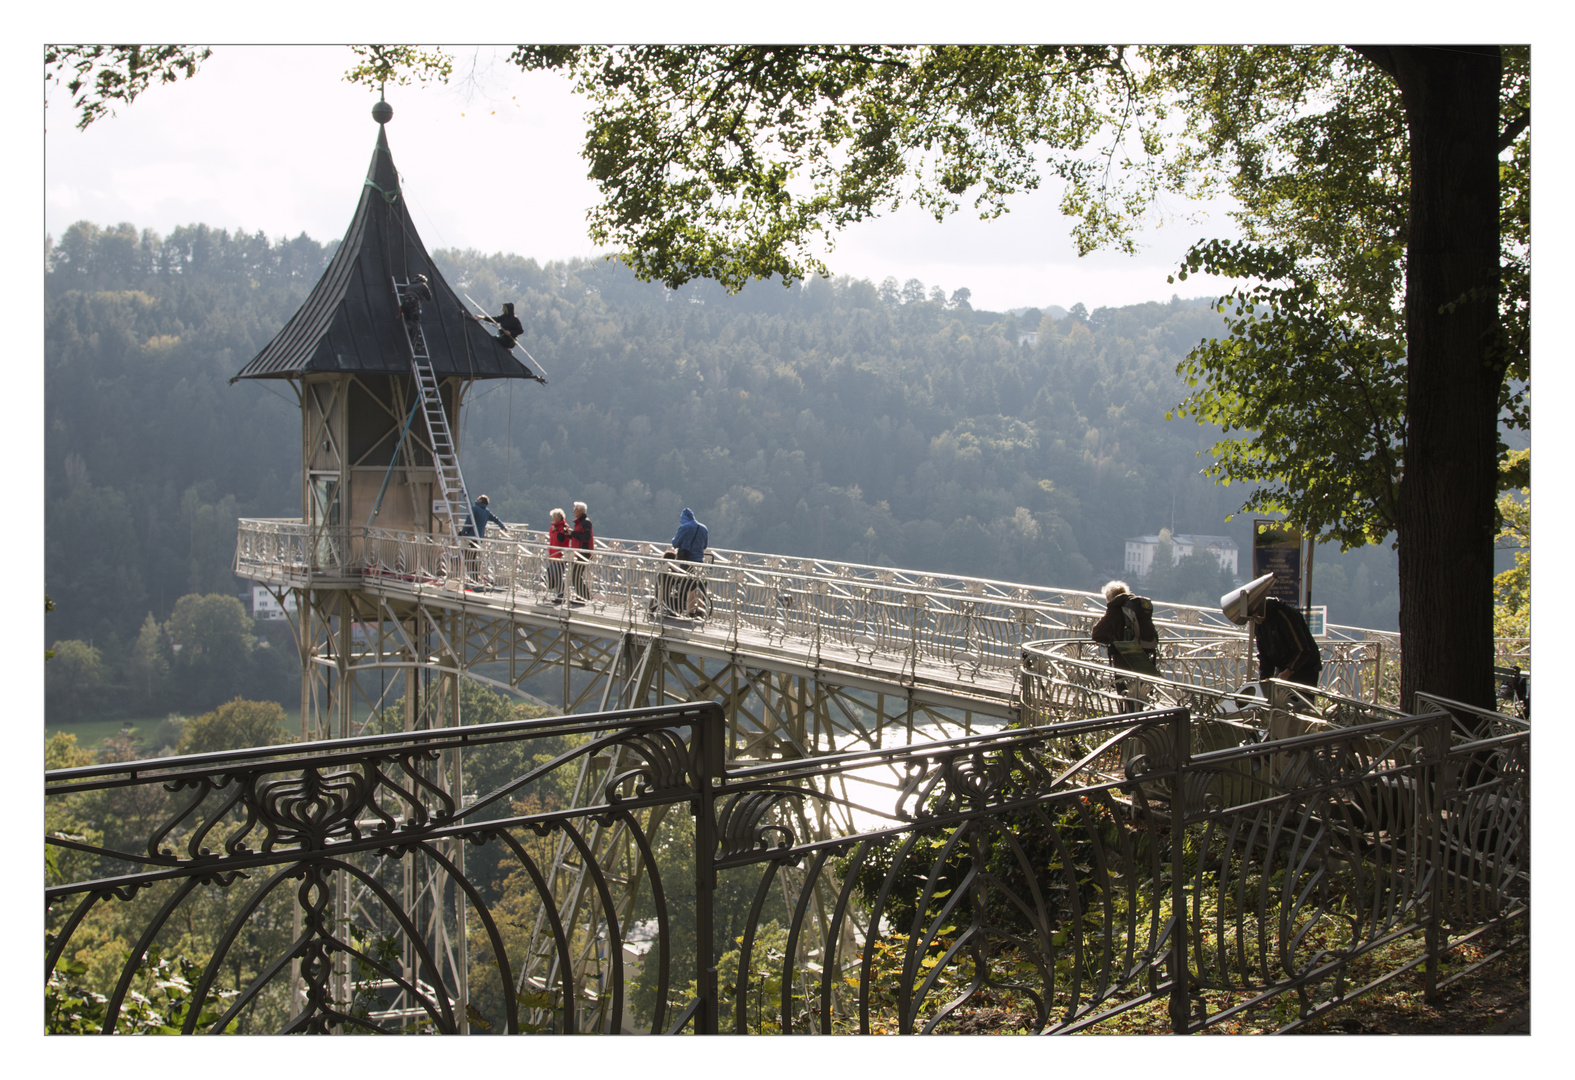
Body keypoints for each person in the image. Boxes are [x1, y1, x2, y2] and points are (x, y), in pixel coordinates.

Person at [1090, 579, 1160, 711]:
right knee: (1141, 692)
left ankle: (1128, 721)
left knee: (1125, 694)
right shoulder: (1135, 607)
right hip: (1143, 656)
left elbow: (1096, 634)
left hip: (1124, 658)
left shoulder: (1114, 609)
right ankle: (1141, 719)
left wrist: (1114, 639)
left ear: (1109, 597)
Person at [1248, 595, 1322, 686]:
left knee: (1300, 698)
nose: (1255, 619)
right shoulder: (1259, 622)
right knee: (1278, 695)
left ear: (1260, 610)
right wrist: (1264, 680)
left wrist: (1289, 671)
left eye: (1255, 615)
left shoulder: (1284, 615)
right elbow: (1264, 655)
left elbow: (1302, 649)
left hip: (1305, 667)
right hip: (1283, 664)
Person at [569, 501, 594, 603]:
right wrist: (569, 534)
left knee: (576, 574)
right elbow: (578, 537)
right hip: (579, 552)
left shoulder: (585, 522)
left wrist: (573, 533)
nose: (573, 510)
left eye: (575, 508)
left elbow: (586, 537)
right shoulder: (580, 522)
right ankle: (582, 596)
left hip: (584, 552)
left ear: (580, 511)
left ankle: (584, 597)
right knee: (575, 574)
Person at [545, 508, 571, 603]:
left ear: (559, 518)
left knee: (558, 575)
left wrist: (555, 531)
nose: (552, 519)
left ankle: (561, 595)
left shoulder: (564, 527)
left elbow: (561, 539)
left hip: (560, 556)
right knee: (552, 573)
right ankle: (558, 593)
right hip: (553, 555)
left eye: (554, 517)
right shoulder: (553, 527)